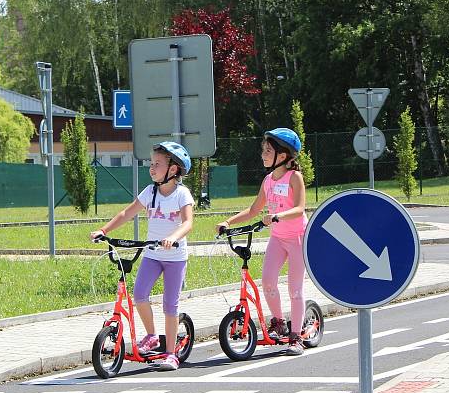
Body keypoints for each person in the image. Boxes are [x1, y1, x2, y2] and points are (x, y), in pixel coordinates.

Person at [90, 141, 194, 371]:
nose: (151, 167)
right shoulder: (150, 192)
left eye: (157, 164)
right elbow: (127, 212)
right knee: (139, 295)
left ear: (173, 169)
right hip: (152, 254)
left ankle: (171, 353)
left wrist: (173, 237)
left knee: (170, 305)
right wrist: (104, 231)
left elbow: (188, 223)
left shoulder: (181, 194)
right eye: (151, 163)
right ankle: (151, 336)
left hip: (175, 256)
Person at [216, 128, 309, 355]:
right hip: (277, 237)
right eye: (263, 150)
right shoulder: (268, 180)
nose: (263, 155)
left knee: (294, 290)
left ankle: (296, 337)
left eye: (268, 151)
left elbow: (299, 208)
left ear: (284, 155)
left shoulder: (294, 177)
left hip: (297, 237)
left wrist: (278, 215)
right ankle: (279, 323)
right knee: (267, 282)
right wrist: (228, 221)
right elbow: (254, 209)